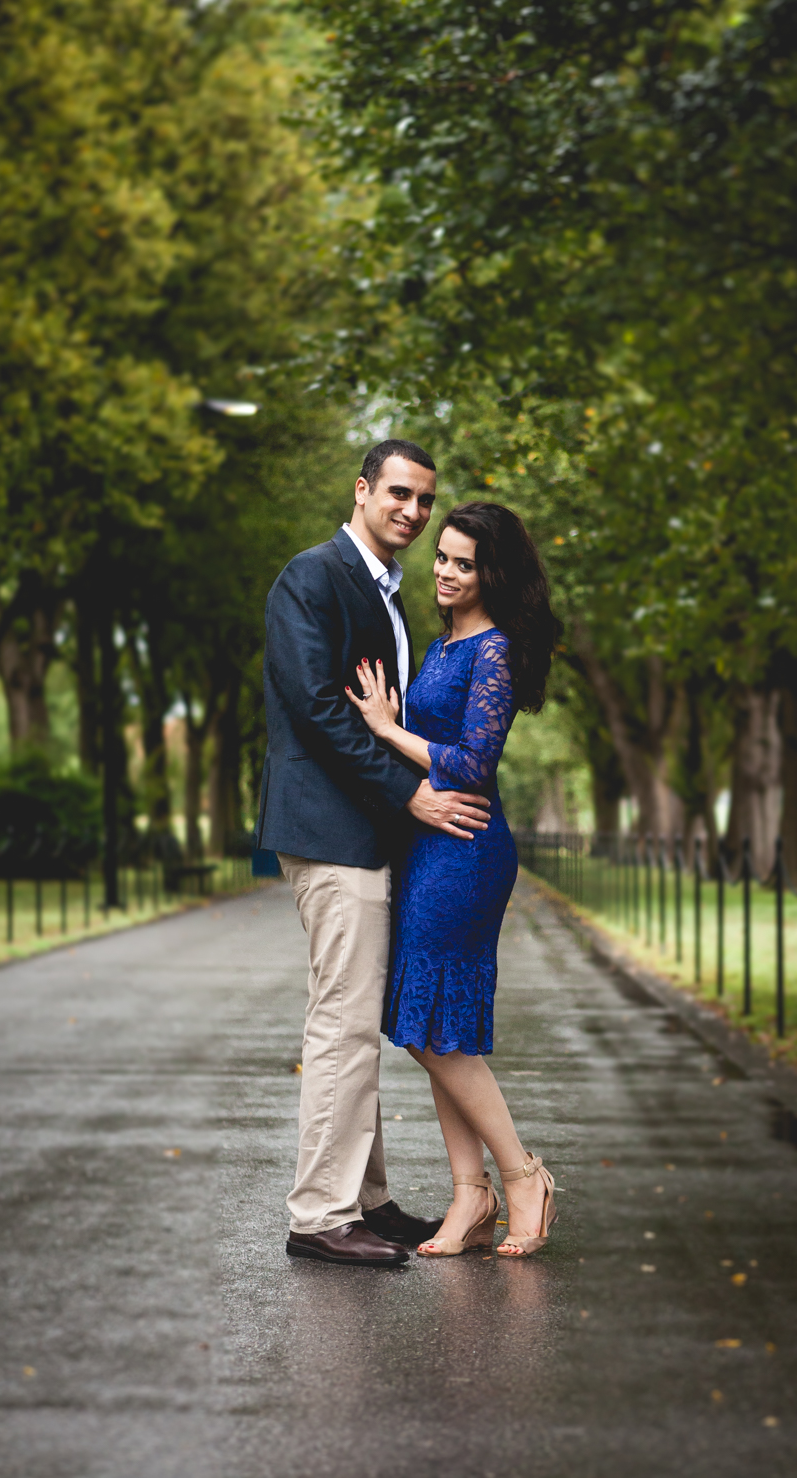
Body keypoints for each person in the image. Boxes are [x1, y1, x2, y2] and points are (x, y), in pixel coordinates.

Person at [258, 440, 493, 1267]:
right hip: (331, 832)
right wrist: (409, 795)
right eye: (399, 493)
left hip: (368, 836)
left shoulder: (383, 591)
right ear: (362, 491)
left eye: (425, 500)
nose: (413, 511)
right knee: (343, 1024)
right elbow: (319, 711)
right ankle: (320, 1216)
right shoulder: (312, 576)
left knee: (356, 1020)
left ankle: (366, 1198)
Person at [346, 501, 562, 1257]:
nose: (444, 570)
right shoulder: (441, 645)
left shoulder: (494, 650)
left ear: (491, 574)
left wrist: (384, 729)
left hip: (466, 847)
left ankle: (522, 1174)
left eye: (463, 563)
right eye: (442, 556)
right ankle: (469, 1197)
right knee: (435, 1021)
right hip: (424, 842)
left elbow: (474, 762)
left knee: (435, 1029)